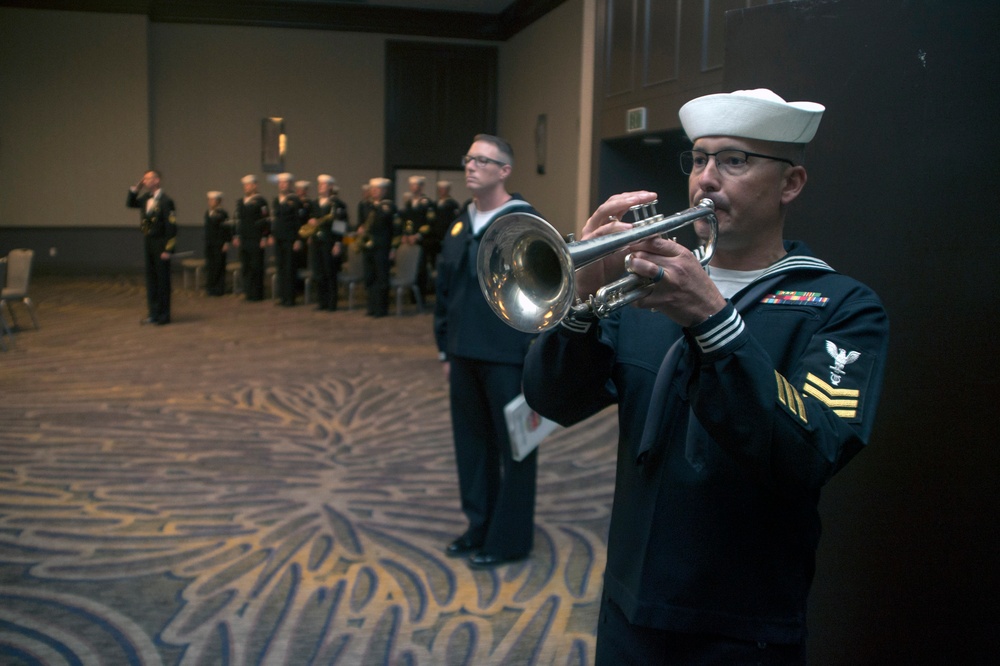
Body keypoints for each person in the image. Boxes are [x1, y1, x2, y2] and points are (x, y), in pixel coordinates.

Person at [521, 89, 889, 663]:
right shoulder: (648, 289)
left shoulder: (839, 306)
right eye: (697, 159)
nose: (706, 179)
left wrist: (713, 320)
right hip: (631, 600)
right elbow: (553, 401)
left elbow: (812, 452)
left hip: (743, 620)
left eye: (734, 160)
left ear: (790, 184)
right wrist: (580, 304)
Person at [434, 134, 543, 568]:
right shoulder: (461, 224)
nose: (471, 166)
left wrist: (533, 353)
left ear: (504, 171)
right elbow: (444, 292)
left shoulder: (524, 222)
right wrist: (445, 349)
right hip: (463, 354)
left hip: (508, 356)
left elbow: (541, 296)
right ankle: (478, 525)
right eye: (468, 158)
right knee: (472, 445)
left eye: (483, 160)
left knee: (517, 447)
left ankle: (510, 538)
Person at [126, 169, 176, 325]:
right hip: (148, 242)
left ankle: (164, 315)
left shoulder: (166, 201)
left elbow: (171, 228)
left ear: (157, 180)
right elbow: (130, 203)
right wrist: (137, 187)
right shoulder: (145, 198)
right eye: (144, 179)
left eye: (148, 179)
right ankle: (153, 313)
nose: (145, 181)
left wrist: (168, 249)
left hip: (161, 244)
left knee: (162, 281)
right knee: (151, 280)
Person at [305, 174, 349, 311]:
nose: (320, 187)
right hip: (317, 241)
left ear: (330, 187)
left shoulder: (337, 204)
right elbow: (310, 218)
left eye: (323, 185)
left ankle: (331, 303)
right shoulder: (313, 203)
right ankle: (322, 302)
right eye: (319, 185)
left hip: (330, 242)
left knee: (330, 272)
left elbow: (340, 224)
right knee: (318, 272)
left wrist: (338, 243)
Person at [358, 177, 400, 317]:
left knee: (382, 278)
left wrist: (393, 248)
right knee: (369, 276)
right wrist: (361, 229)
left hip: (383, 247)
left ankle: (381, 309)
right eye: (373, 189)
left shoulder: (389, 207)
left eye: (378, 189)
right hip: (368, 247)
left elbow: (396, 229)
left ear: (384, 191)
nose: (374, 191)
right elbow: (361, 223)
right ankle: (371, 306)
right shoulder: (365, 205)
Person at [270, 173, 306, 306]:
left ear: (290, 184)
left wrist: (298, 239)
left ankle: (290, 298)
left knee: (290, 268)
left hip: (291, 239)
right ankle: (283, 296)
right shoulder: (276, 200)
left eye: (285, 182)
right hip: (279, 238)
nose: (282, 185)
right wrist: (272, 234)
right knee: (281, 268)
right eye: (280, 183)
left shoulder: (295, 200)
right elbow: (274, 220)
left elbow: (299, 221)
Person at [232, 174, 270, 302]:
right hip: (244, 238)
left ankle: (257, 293)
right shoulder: (240, 202)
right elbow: (238, 220)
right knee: (246, 266)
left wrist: (264, 237)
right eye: (245, 185)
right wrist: (236, 235)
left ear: (255, 185)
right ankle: (248, 292)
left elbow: (265, 220)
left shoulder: (260, 202)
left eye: (249, 185)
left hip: (256, 238)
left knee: (256, 266)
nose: (246, 187)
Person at [401, 175, 436, 296]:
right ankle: (411, 295)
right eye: (411, 185)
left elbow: (430, 223)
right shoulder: (409, 203)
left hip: (422, 241)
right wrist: (405, 235)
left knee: (421, 269)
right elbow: (406, 221)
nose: (413, 188)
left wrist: (418, 236)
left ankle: (421, 296)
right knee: (411, 267)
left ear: (421, 187)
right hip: (409, 241)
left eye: (416, 185)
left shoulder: (427, 203)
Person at [203, 191, 231, 296]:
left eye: (213, 200)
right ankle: (210, 287)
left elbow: (227, 229)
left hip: (220, 243)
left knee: (219, 265)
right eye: (209, 200)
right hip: (209, 243)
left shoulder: (223, 214)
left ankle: (219, 288)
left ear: (218, 201)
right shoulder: (208, 213)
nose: (210, 202)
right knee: (210, 265)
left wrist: (227, 242)